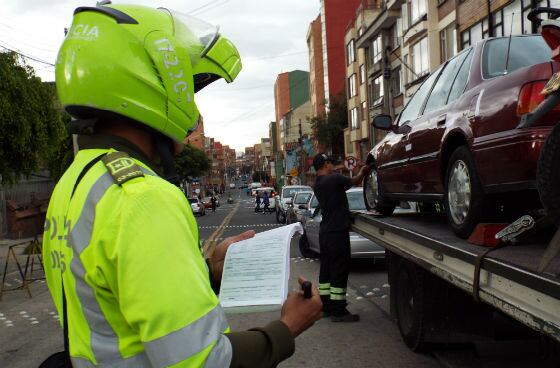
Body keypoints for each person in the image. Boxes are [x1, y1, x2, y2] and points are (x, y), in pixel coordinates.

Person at [43, 4, 322, 367]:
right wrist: (288, 327)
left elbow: (116, 298)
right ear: (150, 86)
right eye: (188, 90)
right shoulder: (145, 197)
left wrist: (206, 271)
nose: (190, 106)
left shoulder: (76, 181)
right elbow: (205, 361)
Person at [312, 153, 371, 322]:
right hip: (337, 233)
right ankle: (338, 310)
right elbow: (356, 181)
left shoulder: (319, 183)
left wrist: (342, 168)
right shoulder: (334, 179)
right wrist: (364, 170)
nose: (332, 165)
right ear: (325, 165)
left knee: (327, 272)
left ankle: (327, 307)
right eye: (330, 163)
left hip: (325, 233)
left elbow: (339, 180)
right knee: (339, 270)